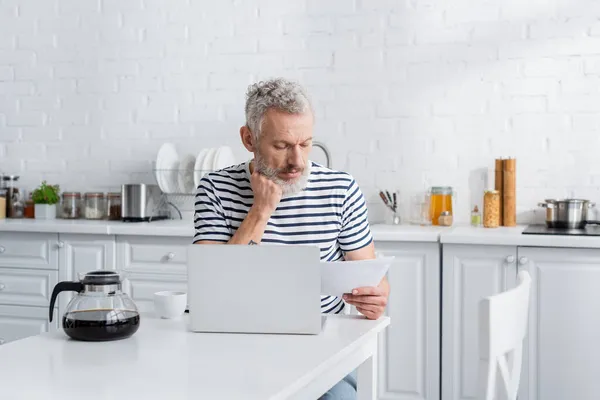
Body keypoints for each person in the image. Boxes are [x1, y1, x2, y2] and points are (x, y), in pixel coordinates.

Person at [193, 77, 390, 399]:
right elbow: (212, 286)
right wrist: (260, 210)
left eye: (306, 144)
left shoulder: (340, 189)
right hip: (236, 341)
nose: (298, 162)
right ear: (249, 138)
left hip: (323, 345)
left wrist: (375, 297)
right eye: (282, 146)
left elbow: (373, 277)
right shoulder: (216, 189)